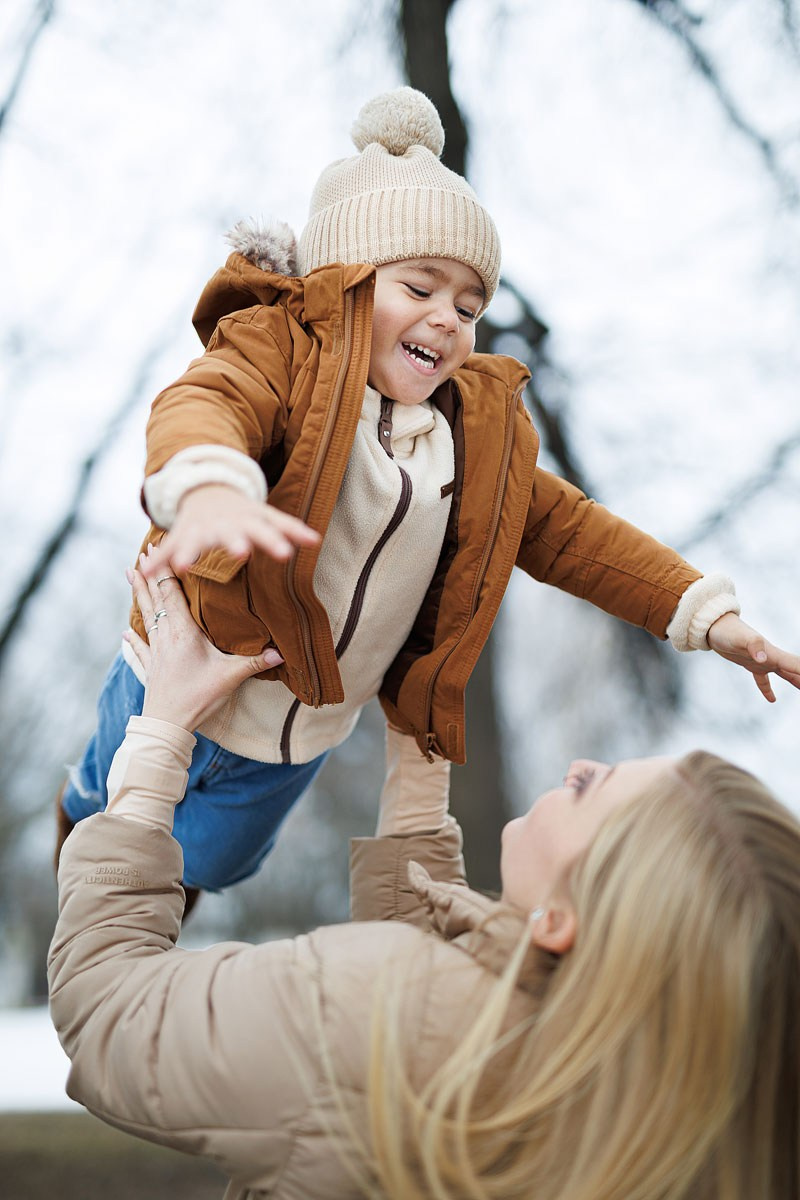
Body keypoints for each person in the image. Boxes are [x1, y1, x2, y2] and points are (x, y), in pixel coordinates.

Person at [56, 86, 800, 907]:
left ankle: (156, 915)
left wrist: (706, 615)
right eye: (420, 288)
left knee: (213, 864)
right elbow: (211, 402)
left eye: (470, 305)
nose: (448, 318)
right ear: (343, 282)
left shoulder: (471, 438)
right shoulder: (280, 351)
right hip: (183, 665)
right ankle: (84, 852)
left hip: (302, 732)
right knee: (110, 821)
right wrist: (209, 486)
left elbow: (572, 534)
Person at [49, 561, 800, 1200]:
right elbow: (436, 1000)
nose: (577, 767)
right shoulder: (639, 1108)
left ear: (563, 922)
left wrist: (162, 731)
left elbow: (106, 1012)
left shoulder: (367, 1011)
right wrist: (420, 742)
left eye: (590, 791)